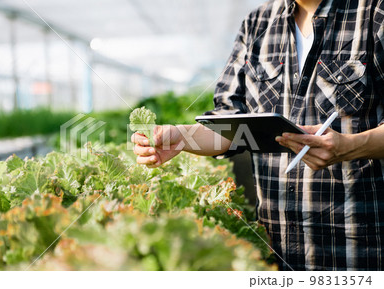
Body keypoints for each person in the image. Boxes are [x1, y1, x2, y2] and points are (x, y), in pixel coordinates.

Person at [131, 0, 384, 270]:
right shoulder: (257, 24)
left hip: (356, 250)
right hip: (277, 249)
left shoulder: (373, 13)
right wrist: (182, 138)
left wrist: (352, 146)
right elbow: (231, 125)